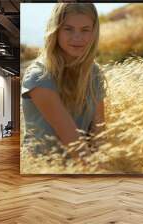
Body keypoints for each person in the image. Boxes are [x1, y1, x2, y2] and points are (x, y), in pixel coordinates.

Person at [21, 3, 105, 159]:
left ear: (94, 32)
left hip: (82, 169)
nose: (77, 37)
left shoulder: (94, 73)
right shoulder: (40, 76)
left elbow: (98, 135)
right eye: (68, 29)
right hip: (43, 171)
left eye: (85, 30)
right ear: (56, 31)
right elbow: (74, 144)